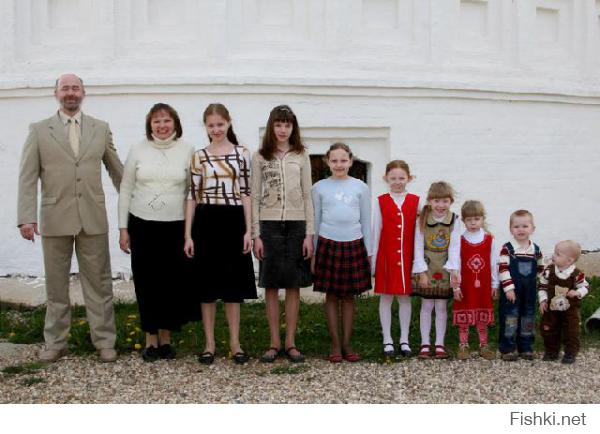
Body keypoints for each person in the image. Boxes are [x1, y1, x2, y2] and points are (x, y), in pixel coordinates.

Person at [17, 73, 123, 363]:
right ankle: (55, 342)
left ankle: (104, 341)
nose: (71, 93)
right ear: (56, 94)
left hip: (93, 218)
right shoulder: (39, 130)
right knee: (56, 285)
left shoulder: (100, 129)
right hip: (54, 218)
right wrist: (26, 217)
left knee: (100, 284)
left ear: (84, 93)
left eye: (75, 88)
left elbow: (116, 170)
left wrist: (135, 204)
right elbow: (28, 177)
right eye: (65, 88)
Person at [118, 103, 198, 362]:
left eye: (166, 121)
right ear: (149, 125)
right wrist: (123, 227)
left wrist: (190, 231)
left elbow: (192, 192)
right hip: (142, 224)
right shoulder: (138, 150)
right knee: (147, 282)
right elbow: (126, 189)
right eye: (156, 121)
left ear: (175, 123)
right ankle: (150, 338)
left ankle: (166, 338)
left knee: (170, 283)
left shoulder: (188, 150)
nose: (162, 126)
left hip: (175, 225)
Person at [184, 103, 257, 365]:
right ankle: (209, 344)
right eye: (211, 125)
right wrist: (188, 235)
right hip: (205, 221)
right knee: (207, 286)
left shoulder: (242, 154)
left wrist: (249, 230)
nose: (216, 129)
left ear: (228, 123)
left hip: (234, 220)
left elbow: (247, 193)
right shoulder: (199, 156)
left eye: (220, 124)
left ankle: (235, 343)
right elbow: (192, 196)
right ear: (205, 127)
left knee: (232, 285)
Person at [250, 105, 314, 363]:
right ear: (271, 127)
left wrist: (309, 233)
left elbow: (308, 194)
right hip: (270, 225)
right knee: (272, 284)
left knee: (293, 285)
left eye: (287, 125)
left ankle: (291, 342)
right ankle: (274, 342)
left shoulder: (302, 155)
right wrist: (256, 234)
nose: (282, 129)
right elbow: (254, 195)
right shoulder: (260, 156)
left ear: (292, 128)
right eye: (278, 124)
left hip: (297, 225)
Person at [312, 143, 372, 363]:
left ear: (351, 161)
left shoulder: (360, 187)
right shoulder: (319, 187)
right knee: (331, 295)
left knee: (348, 297)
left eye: (343, 160)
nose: (339, 164)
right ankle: (335, 344)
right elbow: (316, 221)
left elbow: (366, 220)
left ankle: (347, 343)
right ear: (328, 161)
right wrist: (315, 252)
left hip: (354, 243)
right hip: (328, 244)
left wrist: (369, 252)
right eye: (334, 160)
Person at [372, 160, 419, 358]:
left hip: (407, 256)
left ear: (409, 178)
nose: (398, 182)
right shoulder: (380, 200)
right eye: (393, 178)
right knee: (386, 297)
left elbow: (419, 234)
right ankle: (387, 339)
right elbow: (376, 230)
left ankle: (405, 339)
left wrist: (418, 262)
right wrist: (373, 260)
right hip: (386, 256)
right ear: (386, 179)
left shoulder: (416, 200)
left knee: (405, 297)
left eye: (401, 178)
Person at [412, 181, 461, 359]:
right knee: (426, 305)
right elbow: (417, 246)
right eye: (437, 201)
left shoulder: (454, 220)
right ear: (430, 201)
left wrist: (454, 270)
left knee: (441, 306)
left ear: (451, 201)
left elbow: (455, 247)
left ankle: (439, 344)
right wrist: (421, 271)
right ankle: (425, 344)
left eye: (445, 201)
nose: (441, 205)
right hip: (427, 266)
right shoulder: (422, 219)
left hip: (445, 267)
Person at [453, 200, 499, 361]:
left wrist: (495, 284)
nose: (473, 223)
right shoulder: (459, 240)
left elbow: (494, 263)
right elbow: (456, 264)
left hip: (483, 285)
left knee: (481, 313)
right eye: (469, 219)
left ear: (482, 219)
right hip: (465, 285)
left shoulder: (489, 239)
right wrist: (456, 287)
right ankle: (463, 345)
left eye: (477, 219)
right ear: (464, 221)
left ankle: (483, 345)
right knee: (464, 312)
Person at [497, 209, 544, 361]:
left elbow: (540, 269)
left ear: (532, 229)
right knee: (510, 318)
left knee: (528, 318)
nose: (521, 229)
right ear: (511, 229)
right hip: (512, 291)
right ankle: (508, 348)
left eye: (525, 226)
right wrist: (509, 289)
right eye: (516, 226)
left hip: (529, 291)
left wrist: (543, 284)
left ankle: (526, 347)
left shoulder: (535, 250)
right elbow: (503, 269)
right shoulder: (508, 248)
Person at [539, 240, 588, 364]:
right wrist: (543, 300)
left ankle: (570, 353)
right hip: (551, 309)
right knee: (549, 329)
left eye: (558, 254)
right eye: (555, 252)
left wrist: (578, 292)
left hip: (570, 310)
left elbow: (585, 287)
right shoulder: (549, 271)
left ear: (570, 260)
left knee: (571, 331)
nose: (553, 255)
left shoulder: (577, 274)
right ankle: (551, 351)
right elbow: (542, 287)